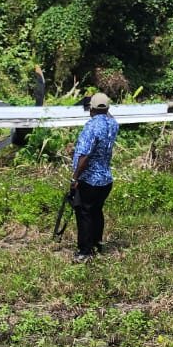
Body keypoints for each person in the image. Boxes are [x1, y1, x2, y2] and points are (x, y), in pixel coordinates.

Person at [70, 92, 119, 262]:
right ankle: (97, 243)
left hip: (90, 179)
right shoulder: (113, 124)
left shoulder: (91, 126)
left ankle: (85, 251)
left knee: (84, 213)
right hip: (106, 179)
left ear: (91, 108)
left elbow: (84, 156)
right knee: (96, 211)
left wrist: (75, 178)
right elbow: (107, 114)